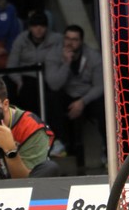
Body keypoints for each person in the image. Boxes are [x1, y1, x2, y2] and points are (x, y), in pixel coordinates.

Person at [44, 24, 106, 159]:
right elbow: (54, 85)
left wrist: (82, 102)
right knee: (51, 97)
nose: (70, 43)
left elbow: (100, 86)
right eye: (67, 38)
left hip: (86, 96)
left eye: (74, 39)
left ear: (81, 41)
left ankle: (107, 149)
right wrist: (66, 63)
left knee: (103, 104)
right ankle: (59, 143)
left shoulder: (93, 56)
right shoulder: (53, 54)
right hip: (65, 94)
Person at [0, 74, 58, 179]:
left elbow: (27, 184)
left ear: (5, 104)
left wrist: (10, 150)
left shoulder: (31, 128)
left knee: (49, 167)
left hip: (14, 187)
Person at [6, 10, 62, 118]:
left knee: (31, 91)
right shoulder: (21, 39)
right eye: (35, 26)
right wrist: (19, 81)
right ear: (30, 27)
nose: (39, 29)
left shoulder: (56, 39)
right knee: (5, 87)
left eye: (42, 26)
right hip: (23, 76)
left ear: (47, 27)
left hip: (44, 77)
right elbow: (11, 64)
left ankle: (33, 123)